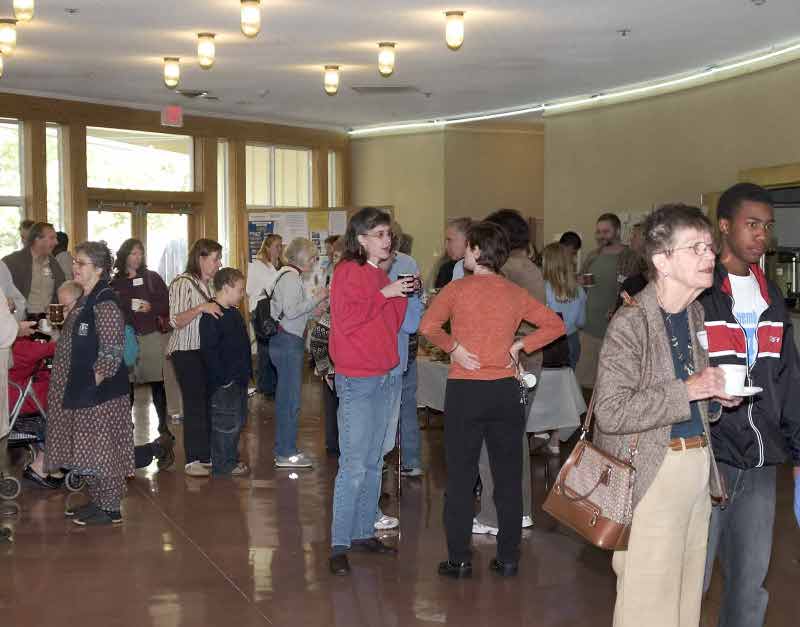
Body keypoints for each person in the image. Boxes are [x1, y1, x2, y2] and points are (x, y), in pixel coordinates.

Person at [593, 204, 738, 626]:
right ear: (662, 260)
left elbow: (691, 394)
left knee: (686, 598)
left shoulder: (694, 313)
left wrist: (714, 396)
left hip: (696, 466)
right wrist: (688, 390)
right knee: (648, 604)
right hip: (652, 473)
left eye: (710, 247)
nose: (710, 256)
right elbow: (611, 412)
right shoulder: (631, 323)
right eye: (696, 248)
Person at [420, 221, 564, 578]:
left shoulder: (456, 290)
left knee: (461, 478)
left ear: (476, 250)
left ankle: (459, 560)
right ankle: (508, 557)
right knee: (508, 477)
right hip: (504, 391)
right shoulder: (513, 292)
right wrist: (520, 345)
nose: (464, 254)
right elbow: (555, 325)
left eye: (467, 247)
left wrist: (454, 348)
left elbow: (428, 327)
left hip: (465, 391)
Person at [700, 183, 800, 627]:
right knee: (693, 581)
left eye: (767, 226)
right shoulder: (700, 293)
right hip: (709, 459)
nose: (762, 235)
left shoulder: (771, 296)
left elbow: (789, 379)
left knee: (748, 585)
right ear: (724, 225)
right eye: (752, 224)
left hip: (760, 462)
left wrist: (798, 454)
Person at [328, 207, 410, 576]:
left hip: (385, 376)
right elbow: (347, 319)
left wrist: (401, 294)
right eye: (379, 234)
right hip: (358, 380)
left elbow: (391, 324)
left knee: (375, 461)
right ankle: (339, 543)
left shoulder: (379, 274)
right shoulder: (348, 271)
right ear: (360, 239)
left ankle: (363, 532)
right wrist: (386, 292)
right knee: (354, 465)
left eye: (388, 234)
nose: (387, 240)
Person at [45, 242, 134, 526]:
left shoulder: (105, 303)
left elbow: (111, 353)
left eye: (81, 263)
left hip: (99, 394)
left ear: (99, 269)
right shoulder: (86, 298)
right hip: (81, 390)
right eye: (74, 261)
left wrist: (90, 384)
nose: (75, 267)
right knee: (88, 450)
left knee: (103, 450)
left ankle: (110, 508)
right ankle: (98, 501)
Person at [472, 208, 544, 536]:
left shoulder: (509, 271)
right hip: (528, 357)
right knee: (513, 439)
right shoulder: (528, 267)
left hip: (510, 360)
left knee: (494, 442)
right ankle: (520, 510)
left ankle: (494, 515)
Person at [374, 223, 424, 531]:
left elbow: (411, 321)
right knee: (379, 433)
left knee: (380, 432)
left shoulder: (405, 266)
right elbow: (410, 321)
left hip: (386, 361)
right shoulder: (403, 266)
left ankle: (373, 501)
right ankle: (370, 504)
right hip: (381, 361)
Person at [270, 238, 328, 468]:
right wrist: (317, 298)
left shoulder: (288, 276)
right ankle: (286, 452)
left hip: (285, 340)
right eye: (312, 258)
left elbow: (294, 311)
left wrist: (314, 309)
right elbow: (292, 311)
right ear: (302, 257)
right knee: (290, 400)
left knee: (287, 399)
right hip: (287, 342)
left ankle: (285, 448)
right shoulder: (291, 278)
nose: (314, 263)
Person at [167, 239, 223, 477]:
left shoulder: (208, 285)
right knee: (194, 404)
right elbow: (176, 320)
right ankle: (193, 459)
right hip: (186, 351)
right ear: (200, 258)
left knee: (206, 403)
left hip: (204, 351)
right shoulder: (183, 283)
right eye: (215, 259)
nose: (219, 264)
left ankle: (206, 454)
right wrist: (201, 308)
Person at [111, 239, 172, 440]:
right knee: (126, 385)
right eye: (133, 253)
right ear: (124, 255)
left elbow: (167, 303)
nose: (137, 257)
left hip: (150, 335)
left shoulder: (151, 277)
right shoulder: (114, 283)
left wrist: (151, 307)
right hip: (126, 337)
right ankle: (124, 426)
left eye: (140, 253)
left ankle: (163, 427)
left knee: (157, 383)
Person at [576, 213, 642, 387]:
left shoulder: (632, 258)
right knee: (585, 383)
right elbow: (588, 284)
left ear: (618, 231)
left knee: (611, 384)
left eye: (606, 231)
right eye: (598, 232)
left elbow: (636, 293)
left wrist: (619, 306)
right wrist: (578, 281)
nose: (601, 236)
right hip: (589, 330)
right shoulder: (593, 256)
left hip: (616, 333)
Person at [199, 267, 251, 477]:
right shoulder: (212, 316)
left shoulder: (234, 313)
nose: (243, 294)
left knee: (237, 422)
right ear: (226, 288)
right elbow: (209, 353)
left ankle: (230, 459)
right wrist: (224, 380)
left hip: (238, 380)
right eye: (240, 289)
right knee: (224, 425)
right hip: (223, 384)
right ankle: (222, 465)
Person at [3, 222, 66, 319]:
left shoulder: (54, 264)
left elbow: (61, 290)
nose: (56, 242)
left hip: (48, 320)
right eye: (52, 238)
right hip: (23, 320)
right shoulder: (12, 262)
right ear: (37, 239)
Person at [246, 233, 283, 398]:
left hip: (272, 310)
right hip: (261, 310)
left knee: (272, 346)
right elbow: (249, 289)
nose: (279, 249)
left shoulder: (277, 265)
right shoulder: (257, 265)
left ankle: (271, 383)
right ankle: (265, 385)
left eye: (281, 246)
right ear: (267, 247)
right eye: (276, 246)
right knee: (265, 348)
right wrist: (267, 288)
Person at [543, 242, 587, 370]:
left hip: (549, 343)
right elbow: (581, 322)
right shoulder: (579, 290)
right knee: (568, 378)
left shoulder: (542, 289)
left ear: (548, 263)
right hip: (572, 342)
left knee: (548, 380)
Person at [445, 217, 472, 282]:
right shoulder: (458, 266)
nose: (446, 246)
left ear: (466, 239)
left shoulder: (482, 268)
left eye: (449, 240)